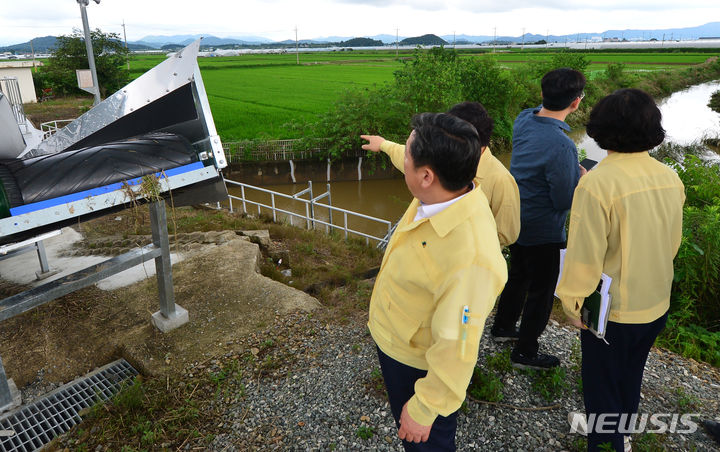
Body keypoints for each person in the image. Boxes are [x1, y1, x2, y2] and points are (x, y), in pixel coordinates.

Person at [365, 113, 507, 451]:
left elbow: (458, 346)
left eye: (409, 157)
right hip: (397, 335)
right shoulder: (445, 190)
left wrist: (425, 407)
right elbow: (406, 157)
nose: (404, 160)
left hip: (414, 363)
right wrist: (384, 145)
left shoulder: (472, 259)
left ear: (426, 176)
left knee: (425, 443)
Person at [556, 88, 685, 452]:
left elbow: (584, 257)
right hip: (656, 301)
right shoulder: (669, 177)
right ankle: (623, 429)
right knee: (631, 371)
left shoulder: (597, 183)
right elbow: (671, 243)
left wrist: (572, 304)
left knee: (601, 381)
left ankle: (607, 441)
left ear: (601, 129)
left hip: (613, 312)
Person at [490, 67, 586, 370]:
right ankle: (526, 352)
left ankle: (503, 326)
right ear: (576, 103)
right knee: (542, 292)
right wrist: (580, 178)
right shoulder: (563, 145)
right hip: (545, 229)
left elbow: (538, 111)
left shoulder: (524, 120)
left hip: (517, 217)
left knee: (518, 275)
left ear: (542, 94)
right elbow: (562, 200)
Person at [360, 101, 520, 247]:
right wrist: (382, 144)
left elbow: (507, 234)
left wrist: (460, 243)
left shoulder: (501, 180)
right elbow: (406, 156)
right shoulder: (440, 158)